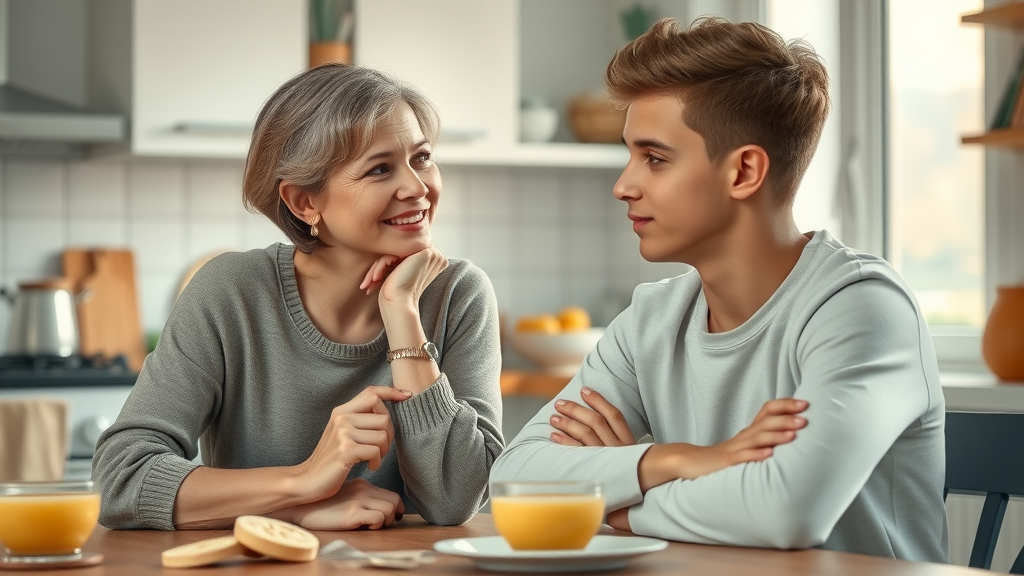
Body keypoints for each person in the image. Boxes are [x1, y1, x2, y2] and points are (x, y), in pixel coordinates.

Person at [490, 17, 947, 562]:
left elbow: (786, 512)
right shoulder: (652, 319)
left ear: (744, 171)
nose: (623, 185)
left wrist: (613, 504)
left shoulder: (860, 308)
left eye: (654, 158)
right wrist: (673, 460)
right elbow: (514, 481)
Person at [93, 63, 504, 531]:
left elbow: (457, 500)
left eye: (423, 157)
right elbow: (119, 480)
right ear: (305, 202)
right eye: (380, 169)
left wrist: (402, 312)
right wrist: (300, 490)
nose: (416, 188)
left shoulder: (458, 294)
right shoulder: (229, 293)